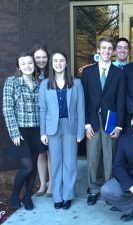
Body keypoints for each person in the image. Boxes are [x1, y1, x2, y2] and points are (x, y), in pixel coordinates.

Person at [81, 36, 126, 206]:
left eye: (109, 49)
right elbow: (83, 100)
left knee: (110, 157)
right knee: (92, 157)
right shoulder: (88, 72)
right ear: (98, 50)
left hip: (111, 121)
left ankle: (108, 190)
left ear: (113, 52)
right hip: (91, 121)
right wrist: (85, 124)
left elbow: (121, 101)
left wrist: (119, 125)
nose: (106, 51)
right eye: (103, 48)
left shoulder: (119, 73)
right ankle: (93, 189)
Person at [39, 52, 85, 210]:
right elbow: (42, 109)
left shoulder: (76, 83)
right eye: (55, 61)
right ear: (52, 64)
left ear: (66, 63)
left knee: (70, 163)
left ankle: (68, 195)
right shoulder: (45, 84)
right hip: (52, 128)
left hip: (70, 127)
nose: (58, 63)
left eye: (62, 60)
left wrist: (80, 132)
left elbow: (80, 109)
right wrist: (43, 132)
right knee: (56, 162)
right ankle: (57, 196)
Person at [3, 52, 47, 210]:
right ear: (19, 66)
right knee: (26, 166)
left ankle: (27, 196)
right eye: (23, 64)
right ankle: (15, 195)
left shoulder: (40, 82)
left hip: (36, 130)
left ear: (34, 65)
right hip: (20, 131)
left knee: (33, 166)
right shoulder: (12, 82)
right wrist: (14, 132)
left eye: (30, 63)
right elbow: (8, 109)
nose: (27, 66)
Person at [30, 44, 52, 197]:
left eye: (44, 57)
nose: (41, 60)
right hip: (35, 120)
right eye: (38, 57)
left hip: (50, 119)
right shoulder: (30, 74)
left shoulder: (53, 73)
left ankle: (52, 184)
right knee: (40, 153)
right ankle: (42, 184)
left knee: (51, 152)